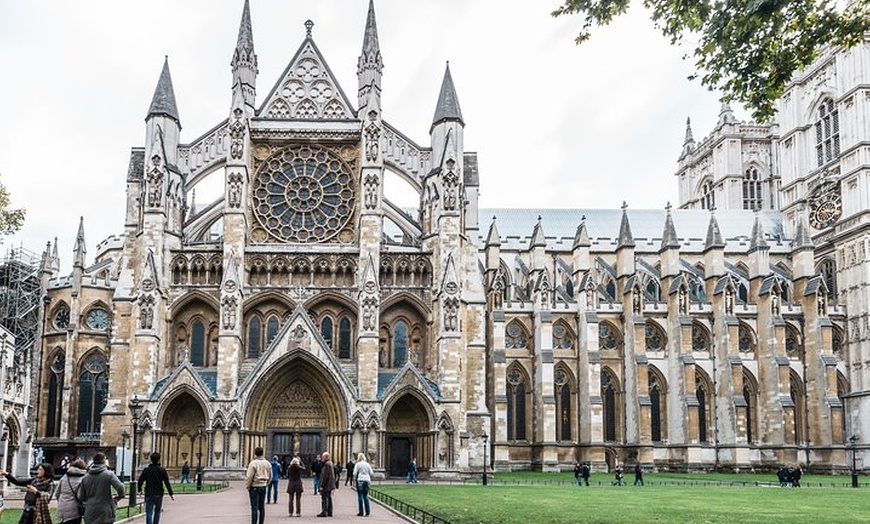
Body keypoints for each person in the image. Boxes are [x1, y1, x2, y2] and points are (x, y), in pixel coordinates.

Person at [79, 453, 126, 524]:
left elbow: (81, 496)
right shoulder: (109, 474)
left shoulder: (85, 477)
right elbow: (120, 487)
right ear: (103, 461)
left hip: (90, 511)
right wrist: (119, 497)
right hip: (105, 510)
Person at [137, 452, 175, 524]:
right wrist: (171, 493)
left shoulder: (146, 470)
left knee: (149, 512)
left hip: (149, 493)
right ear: (159, 460)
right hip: (158, 493)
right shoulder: (162, 470)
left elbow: (140, 481)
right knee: (157, 511)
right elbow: (167, 483)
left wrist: (140, 490)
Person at [54, 457, 88, 524]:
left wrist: (62, 501)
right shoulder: (82, 479)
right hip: (74, 510)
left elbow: (57, 493)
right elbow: (80, 496)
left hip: (62, 508)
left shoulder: (64, 477)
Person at [245, 447, 272, 524]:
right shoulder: (267, 463)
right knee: (262, 507)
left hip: (255, 486)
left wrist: (248, 486)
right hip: (263, 486)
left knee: (254, 508)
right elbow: (270, 476)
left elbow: (249, 476)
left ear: (255, 453)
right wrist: (266, 484)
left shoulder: (253, 463)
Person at [353, 452, 374, 517]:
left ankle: (361, 512)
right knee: (366, 495)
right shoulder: (367, 464)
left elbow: (354, 473)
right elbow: (371, 473)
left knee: (360, 496)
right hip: (367, 480)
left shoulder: (358, 464)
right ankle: (368, 512)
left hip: (360, 480)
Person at [317, 452, 336, 518]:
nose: (322, 458)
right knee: (329, 497)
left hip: (327, 484)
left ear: (326, 457)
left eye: (323, 457)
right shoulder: (330, 463)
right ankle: (329, 511)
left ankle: (324, 512)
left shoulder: (327, 465)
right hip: (330, 484)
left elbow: (325, 476)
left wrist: (321, 485)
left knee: (324, 498)